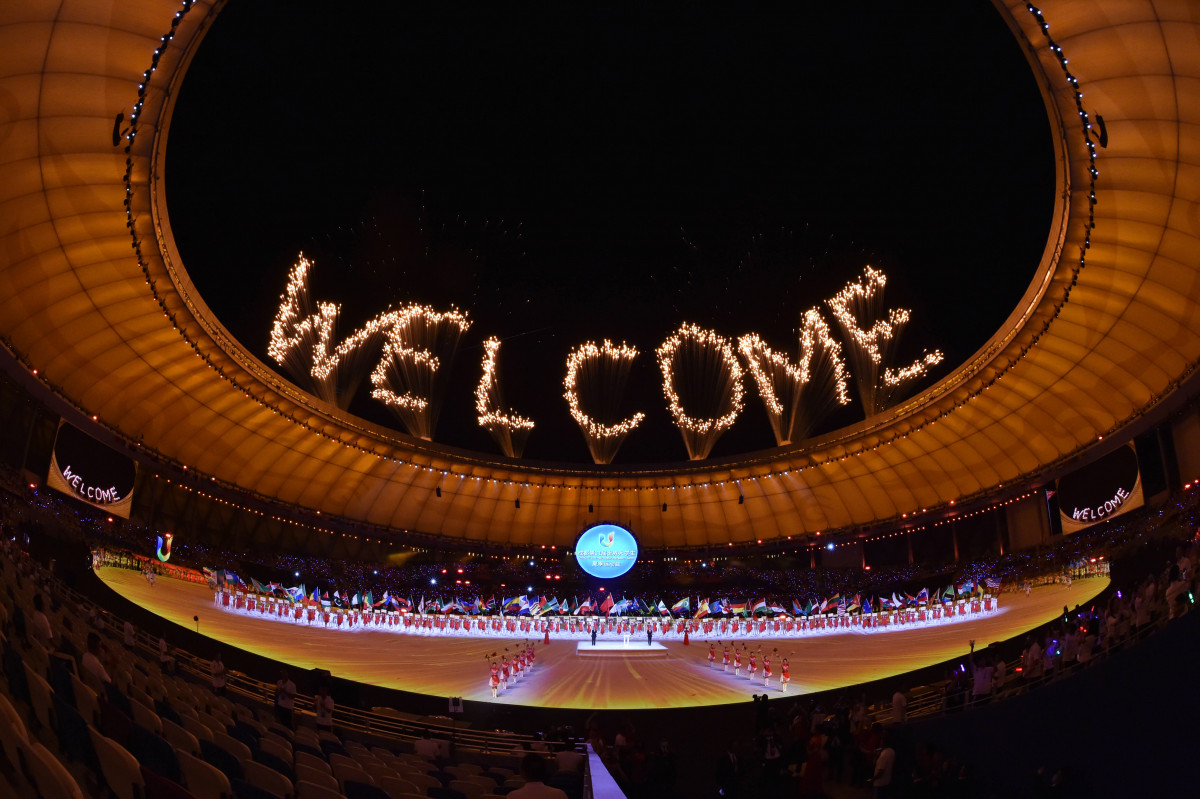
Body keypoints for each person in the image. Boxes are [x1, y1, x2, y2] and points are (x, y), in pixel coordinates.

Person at [873, 729, 896, 797]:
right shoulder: (892, 751)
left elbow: (880, 771)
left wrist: (873, 779)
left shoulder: (883, 755)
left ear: (882, 742)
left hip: (879, 783)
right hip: (887, 781)